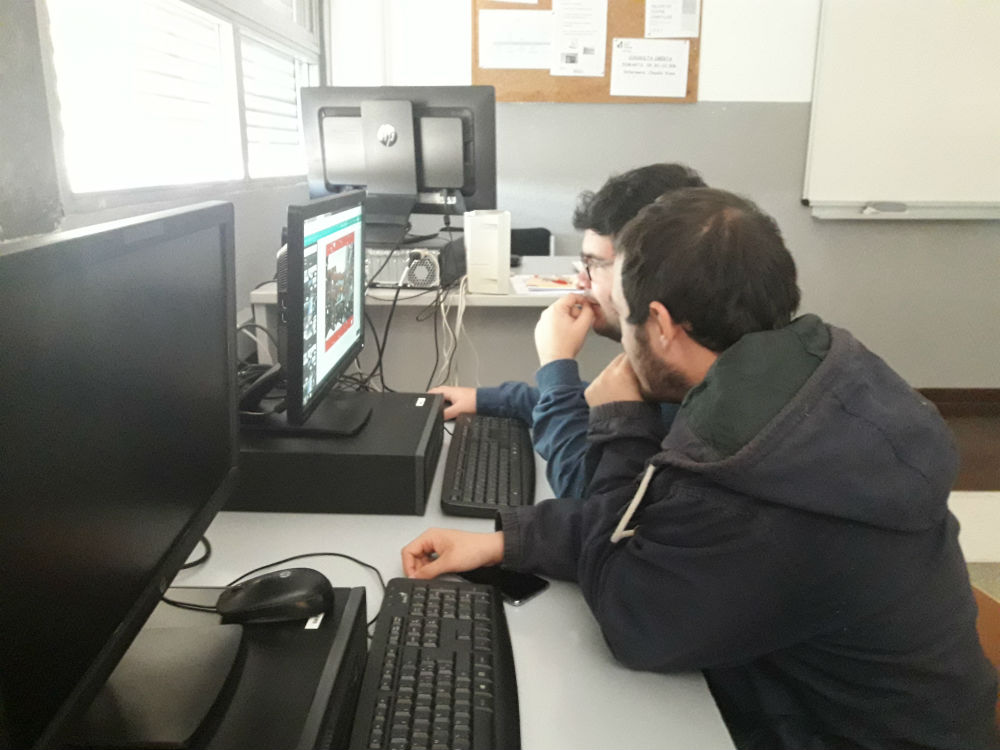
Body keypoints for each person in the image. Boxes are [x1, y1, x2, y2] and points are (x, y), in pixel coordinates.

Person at [404, 188, 999, 749]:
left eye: (628, 320)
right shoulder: (806, 377)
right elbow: (661, 524)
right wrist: (510, 542)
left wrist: (620, 422)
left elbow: (634, 618)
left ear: (661, 325)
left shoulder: (740, 464)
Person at [430, 163, 706, 498]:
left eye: (594, 264)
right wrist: (493, 400)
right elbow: (595, 405)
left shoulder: (699, 408)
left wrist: (556, 362)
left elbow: (588, 493)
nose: (581, 281)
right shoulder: (687, 356)